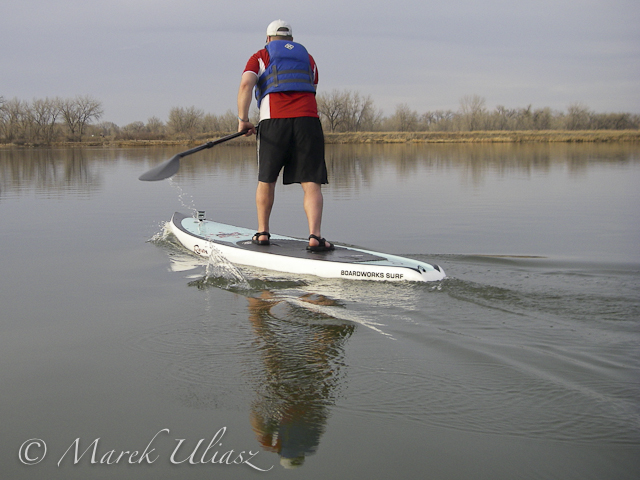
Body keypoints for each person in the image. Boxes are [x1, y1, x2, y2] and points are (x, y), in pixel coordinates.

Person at [237, 19, 334, 252]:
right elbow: (312, 88)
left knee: (266, 180)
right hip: (308, 122)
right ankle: (315, 237)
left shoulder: (260, 55)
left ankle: (262, 233)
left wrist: (243, 120)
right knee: (312, 183)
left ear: (268, 39)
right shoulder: (308, 59)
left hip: (274, 122)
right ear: (291, 39)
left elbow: (246, 86)